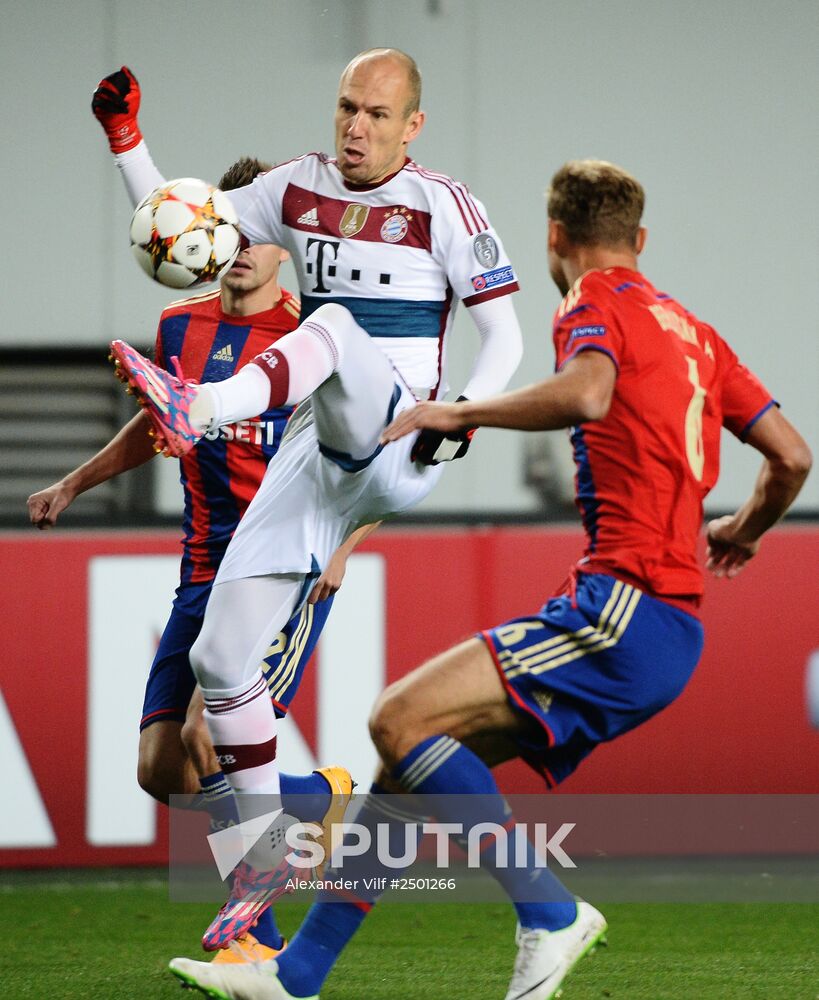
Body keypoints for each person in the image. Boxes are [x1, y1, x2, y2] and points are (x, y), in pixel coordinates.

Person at [167, 159, 811, 999]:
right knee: (408, 772)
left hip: (621, 606)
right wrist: (744, 532)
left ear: (553, 237)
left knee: (396, 717)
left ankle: (549, 912)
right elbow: (792, 457)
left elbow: (586, 395)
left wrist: (459, 410)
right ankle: (298, 974)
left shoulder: (592, 303)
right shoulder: (694, 331)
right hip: (668, 622)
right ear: (641, 239)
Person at [100, 47, 524, 949]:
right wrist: (125, 140)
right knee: (219, 657)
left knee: (329, 321)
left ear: (412, 124)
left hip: (403, 434)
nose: (356, 127)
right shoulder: (294, 188)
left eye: (376, 114)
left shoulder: (444, 207)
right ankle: (258, 872)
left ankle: (198, 407)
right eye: (346, 109)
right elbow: (186, 225)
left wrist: (467, 410)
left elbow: (506, 334)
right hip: (320, 448)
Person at [28, 150, 373, 963]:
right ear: (215, 237)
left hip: (281, 568)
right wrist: (75, 481)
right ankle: (318, 800)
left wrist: (347, 545)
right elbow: (160, 425)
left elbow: (372, 449)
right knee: (161, 768)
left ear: (286, 245)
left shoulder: (310, 336)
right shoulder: (181, 327)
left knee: (205, 737)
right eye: (236, 233)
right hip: (199, 567)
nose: (248, 248)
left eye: (263, 236)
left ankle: (255, 940)